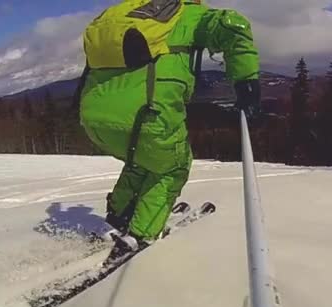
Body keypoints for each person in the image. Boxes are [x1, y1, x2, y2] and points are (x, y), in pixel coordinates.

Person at [76, 0, 261, 253]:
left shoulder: (123, 13)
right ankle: (142, 234)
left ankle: (119, 215)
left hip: (93, 117)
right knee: (173, 166)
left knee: (143, 160)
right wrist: (246, 81)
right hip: (147, 114)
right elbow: (232, 25)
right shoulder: (188, 13)